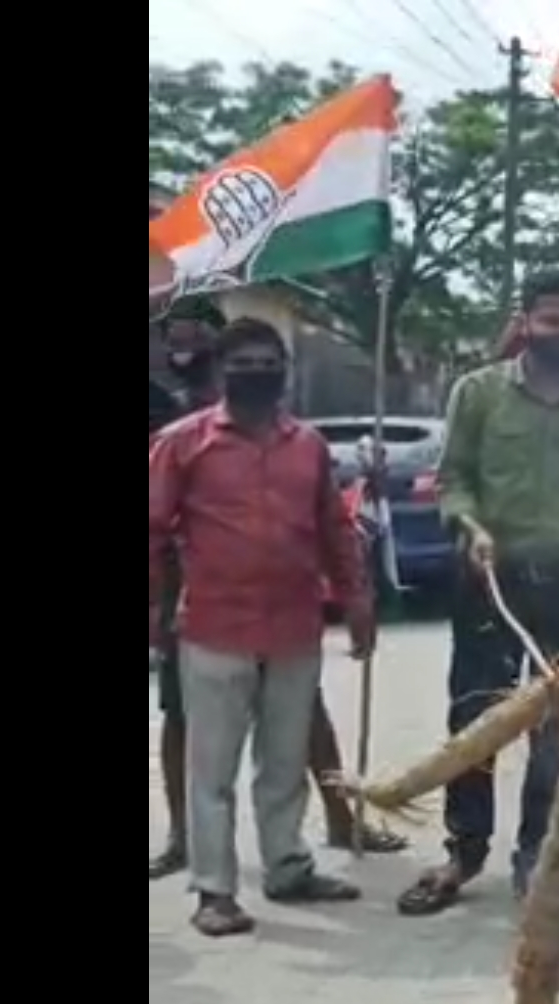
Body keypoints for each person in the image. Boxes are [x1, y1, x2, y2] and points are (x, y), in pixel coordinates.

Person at [398, 268, 559, 916]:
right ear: (525, 321)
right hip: (489, 578)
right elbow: (454, 479)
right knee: (474, 718)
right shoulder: (477, 393)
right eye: (553, 320)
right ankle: (462, 850)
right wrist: (468, 524)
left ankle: (539, 859)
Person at [148, 313, 406, 883]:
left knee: (285, 762)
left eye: (268, 365)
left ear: (285, 373)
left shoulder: (308, 447)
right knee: (212, 769)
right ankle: (214, 889)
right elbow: (153, 527)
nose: (257, 374)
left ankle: (288, 867)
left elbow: (335, 529)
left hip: (294, 626)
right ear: (223, 370)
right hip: (213, 626)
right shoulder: (182, 443)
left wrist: (357, 600)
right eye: (243, 365)